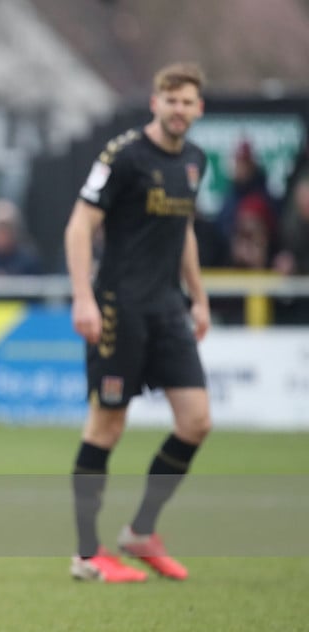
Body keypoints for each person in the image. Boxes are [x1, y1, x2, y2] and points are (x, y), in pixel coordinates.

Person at [63, 62, 211, 583]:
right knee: (108, 424)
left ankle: (142, 532)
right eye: (171, 99)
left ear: (198, 108)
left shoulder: (195, 160)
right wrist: (83, 296)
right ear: (155, 102)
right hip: (117, 308)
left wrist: (198, 297)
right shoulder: (123, 156)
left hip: (168, 308)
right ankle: (86, 554)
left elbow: (184, 230)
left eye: (188, 101)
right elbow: (80, 225)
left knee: (196, 421)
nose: (179, 109)